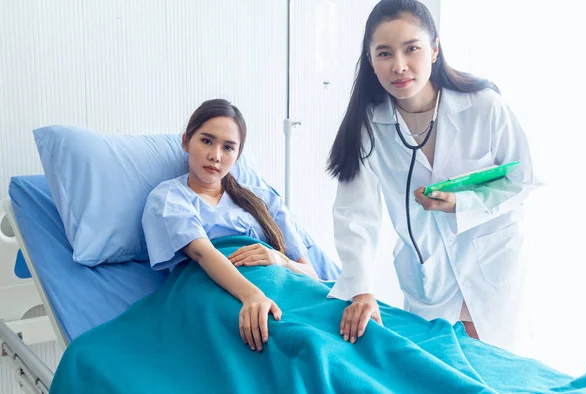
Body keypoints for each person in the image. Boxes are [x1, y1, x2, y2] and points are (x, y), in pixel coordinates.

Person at [326, 0, 536, 351]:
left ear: (435, 49)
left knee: (495, 368)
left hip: (492, 267)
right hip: (430, 277)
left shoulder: (484, 105)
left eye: (412, 49)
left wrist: (462, 203)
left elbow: (522, 180)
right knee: (436, 371)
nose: (399, 66)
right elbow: (354, 214)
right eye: (384, 53)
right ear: (370, 61)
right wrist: (361, 289)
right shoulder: (368, 126)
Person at [142, 99, 318, 352]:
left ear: (237, 156)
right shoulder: (170, 197)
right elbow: (203, 253)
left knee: (350, 327)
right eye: (206, 141)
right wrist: (252, 296)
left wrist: (280, 259)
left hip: (285, 290)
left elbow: (311, 274)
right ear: (185, 142)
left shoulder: (264, 200)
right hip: (219, 296)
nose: (215, 155)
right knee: (300, 343)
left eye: (228, 148)